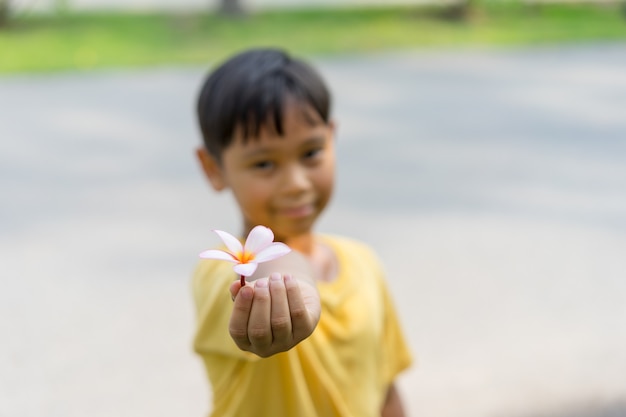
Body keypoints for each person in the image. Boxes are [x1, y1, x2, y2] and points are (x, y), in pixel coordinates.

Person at [192, 47, 413, 417]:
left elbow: (384, 388)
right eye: (264, 163)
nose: (296, 184)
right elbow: (276, 264)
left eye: (311, 153)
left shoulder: (364, 263)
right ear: (213, 168)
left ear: (332, 138)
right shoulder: (222, 278)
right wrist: (294, 287)